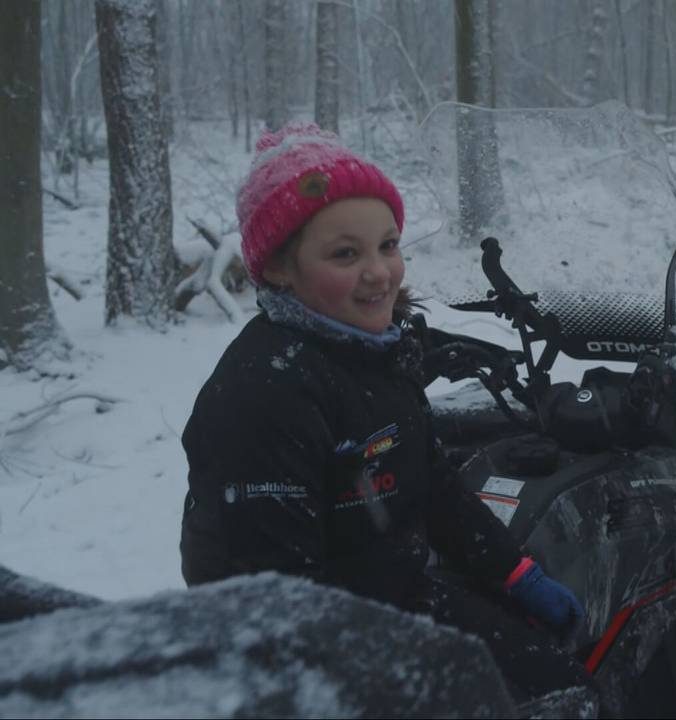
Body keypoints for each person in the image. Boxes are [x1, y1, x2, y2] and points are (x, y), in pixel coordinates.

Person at [179, 124, 593, 709]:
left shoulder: (374, 349)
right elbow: (271, 601)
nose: (379, 273)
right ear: (277, 267)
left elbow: (430, 481)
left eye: (388, 245)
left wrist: (514, 573)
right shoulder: (264, 394)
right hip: (300, 657)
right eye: (345, 253)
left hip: (394, 595)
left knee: (567, 688)